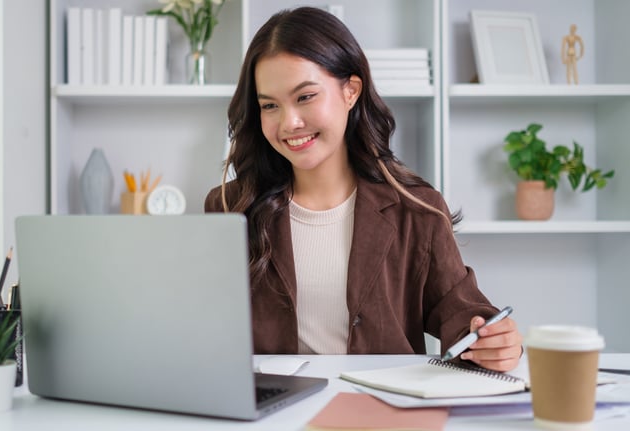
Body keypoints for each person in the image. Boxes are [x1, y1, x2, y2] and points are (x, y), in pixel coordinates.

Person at [204, 7, 523, 372]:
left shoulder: (416, 207)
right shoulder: (230, 207)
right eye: (270, 105)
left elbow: (461, 311)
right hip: (272, 415)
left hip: (381, 410)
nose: (289, 122)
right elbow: (207, 323)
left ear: (350, 91)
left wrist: (492, 340)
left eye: (305, 97)